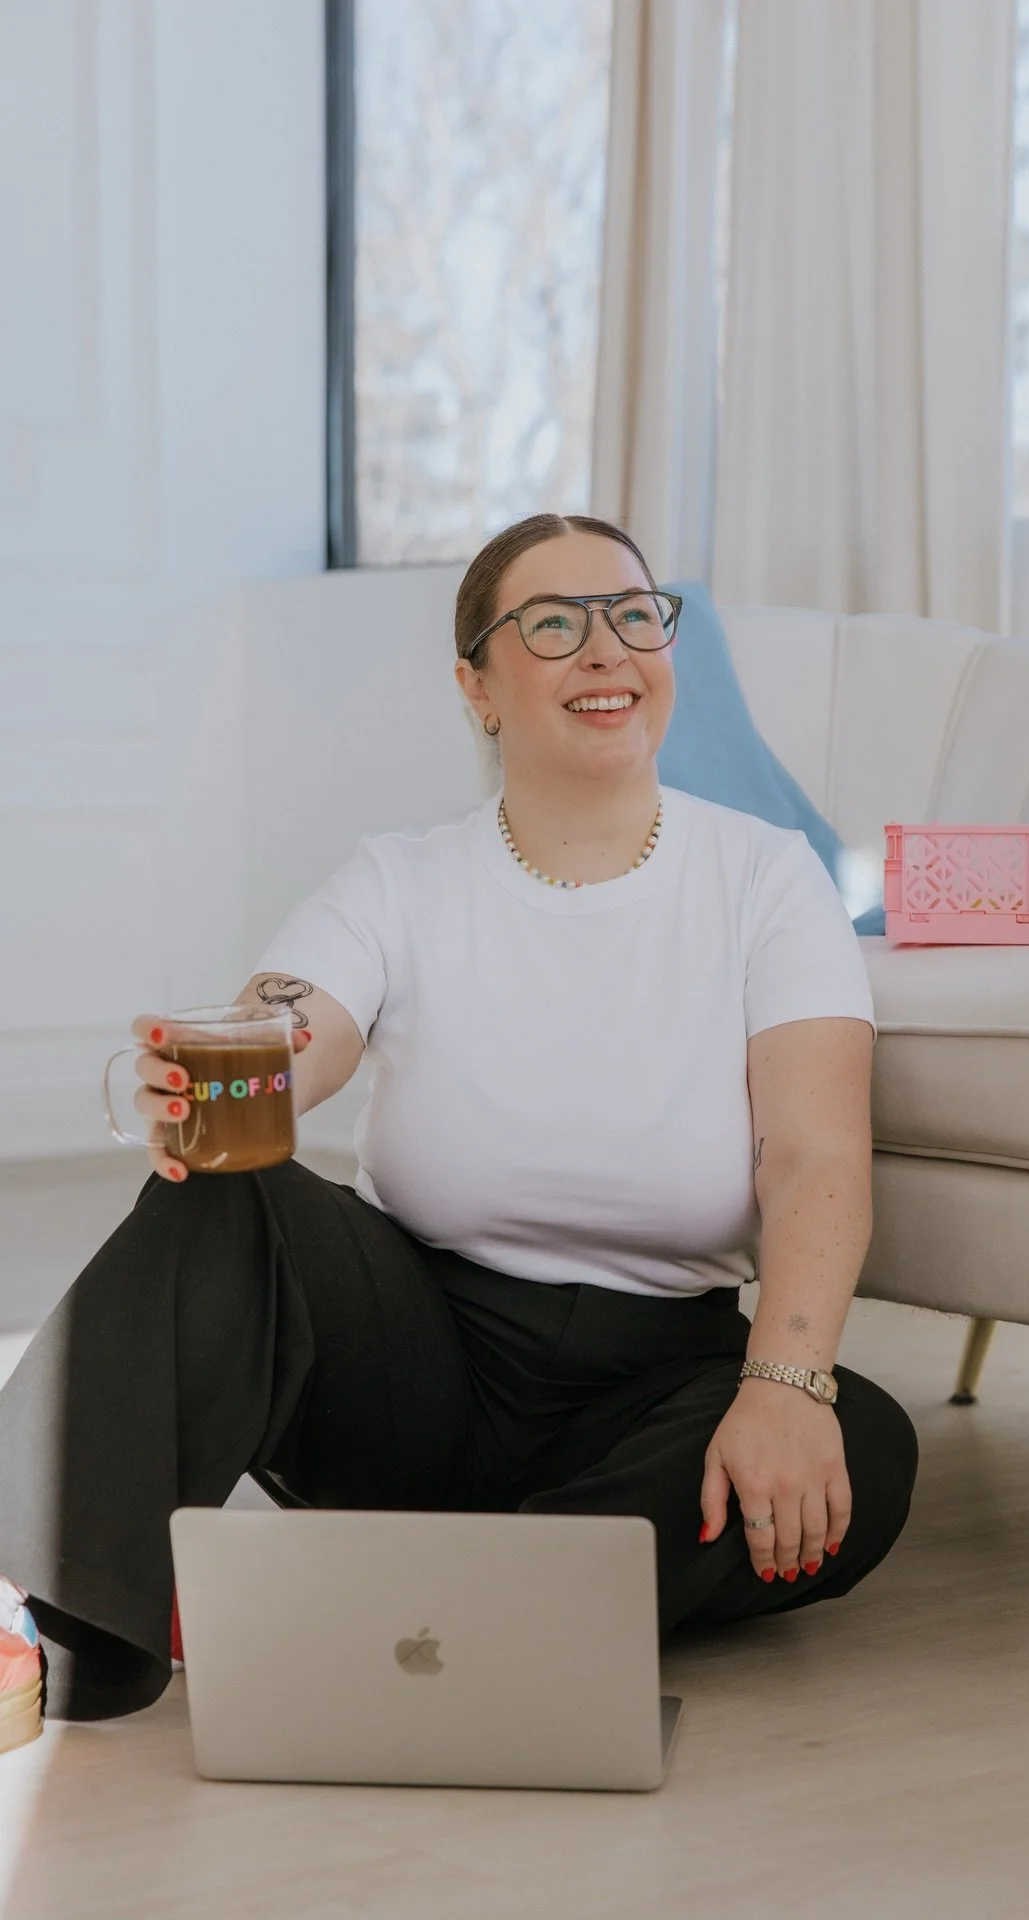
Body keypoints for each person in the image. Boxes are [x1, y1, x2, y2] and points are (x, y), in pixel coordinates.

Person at [0, 513, 918, 1729]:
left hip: (654, 1389)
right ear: (476, 687)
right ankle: (73, 1627)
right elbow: (294, 1024)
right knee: (232, 1186)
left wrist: (785, 1386)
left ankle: (427, 1609)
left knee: (865, 1437)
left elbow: (814, 1157)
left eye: (633, 617)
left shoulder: (768, 876)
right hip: (413, 1370)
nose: (607, 649)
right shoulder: (399, 880)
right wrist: (230, 1075)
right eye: (554, 625)